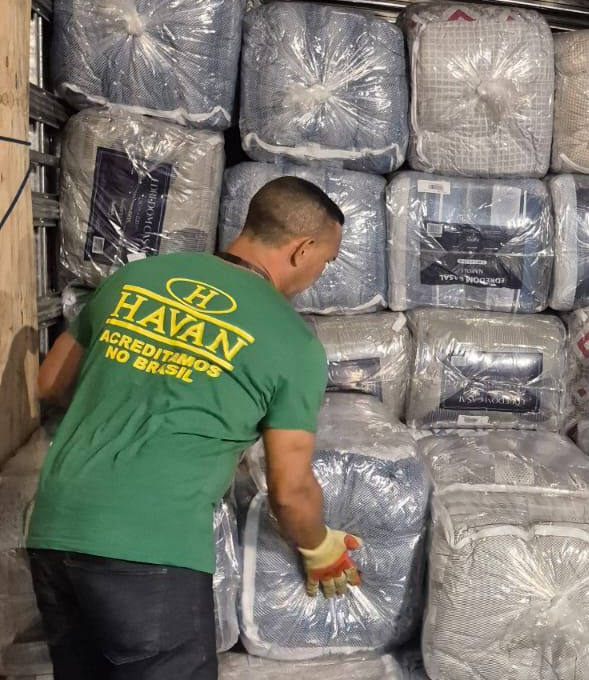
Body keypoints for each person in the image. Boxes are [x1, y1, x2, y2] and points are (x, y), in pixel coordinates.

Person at [28, 177, 363, 680]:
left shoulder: (135, 278)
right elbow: (290, 492)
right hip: (151, 550)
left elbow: (51, 382)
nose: (321, 272)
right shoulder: (292, 343)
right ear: (302, 249)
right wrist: (320, 547)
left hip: (55, 529)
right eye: (326, 260)